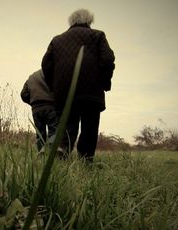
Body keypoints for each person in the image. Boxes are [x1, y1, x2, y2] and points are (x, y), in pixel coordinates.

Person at [41, 9, 115, 162]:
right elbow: (108, 60)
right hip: (92, 92)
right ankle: (86, 161)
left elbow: (46, 66)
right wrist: (105, 83)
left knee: (67, 127)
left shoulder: (57, 40)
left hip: (64, 93)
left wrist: (53, 88)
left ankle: (61, 159)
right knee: (90, 127)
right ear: (89, 21)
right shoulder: (98, 35)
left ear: (71, 22)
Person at [21, 69, 59, 153]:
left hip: (36, 110)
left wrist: (33, 102)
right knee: (54, 131)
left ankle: (41, 153)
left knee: (40, 134)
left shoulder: (32, 77)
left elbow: (23, 94)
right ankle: (50, 153)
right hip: (51, 107)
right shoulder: (54, 73)